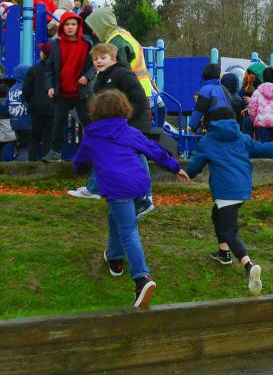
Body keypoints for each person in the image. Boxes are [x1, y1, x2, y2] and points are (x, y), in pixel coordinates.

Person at [72, 90, 189, 308]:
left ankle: (141, 278)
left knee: (128, 230)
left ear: (95, 111)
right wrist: (175, 168)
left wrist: (79, 169)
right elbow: (154, 149)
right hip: (138, 183)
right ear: (124, 109)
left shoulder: (92, 134)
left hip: (117, 187)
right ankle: (115, 258)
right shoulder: (128, 131)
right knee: (116, 217)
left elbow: (80, 162)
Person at [185, 106, 273, 295]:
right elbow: (263, 148)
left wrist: (184, 173)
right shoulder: (241, 138)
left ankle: (249, 266)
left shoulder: (208, 141)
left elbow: (194, 166)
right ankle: (223, 253)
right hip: (242, 189)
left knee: (229, 230)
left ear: (211, 122)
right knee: (216, 214)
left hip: (226, 191)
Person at [72, 43, 155, 211]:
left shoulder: (122, 74)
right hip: (118, 124)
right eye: (95, 59)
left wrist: (123, 120)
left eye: (103, 58)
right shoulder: (100, 78)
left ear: (114, 58)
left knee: (134, 155)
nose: (99, 62)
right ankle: (96, 188)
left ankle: (145, 196)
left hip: (134, 121)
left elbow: (140, 99)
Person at [85, 8, 160, 128]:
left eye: (95, 28)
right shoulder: (122, 34)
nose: (94, 33)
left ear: (102, 25)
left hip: (131, 95)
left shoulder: (115, 43)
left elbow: (120, 72)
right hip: (142, 88)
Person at [42, 11, 95, 162]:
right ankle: (55, 152)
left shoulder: (87, 42)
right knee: (58, 123)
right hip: (63, 91)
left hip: (82, 92)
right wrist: (50, 87)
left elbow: (94, 65)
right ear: (62, 27)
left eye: (73, 24)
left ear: (78, 26)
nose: (70, 27)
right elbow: (49, 69)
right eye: (67, 24)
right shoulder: (55, 45)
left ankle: (94, 150)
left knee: (88, 123)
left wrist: (87, 77)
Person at [188, 63, 240, 133]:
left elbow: (199, 109)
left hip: (214, 125)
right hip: (229, 125)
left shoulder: (206, 89)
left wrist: (191, 125)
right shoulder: (224, 89)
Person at [22, 59, 56, 161]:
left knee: (35, 136)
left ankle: (31, 160)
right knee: (48, 137)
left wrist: (30, 101)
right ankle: (47, 160)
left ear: (42, 53)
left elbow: (26, 90)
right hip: (52, 107)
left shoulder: (33, 69)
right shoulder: (56, 69)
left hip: (36, 107)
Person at [7, 65, 32, 161]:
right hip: (27, 121)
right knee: (26, 146)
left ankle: (18, 160)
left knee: (20, 144)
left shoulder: (12, 89)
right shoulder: (26, 87)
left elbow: (7, 104)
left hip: (15, 121)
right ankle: (24, 167)